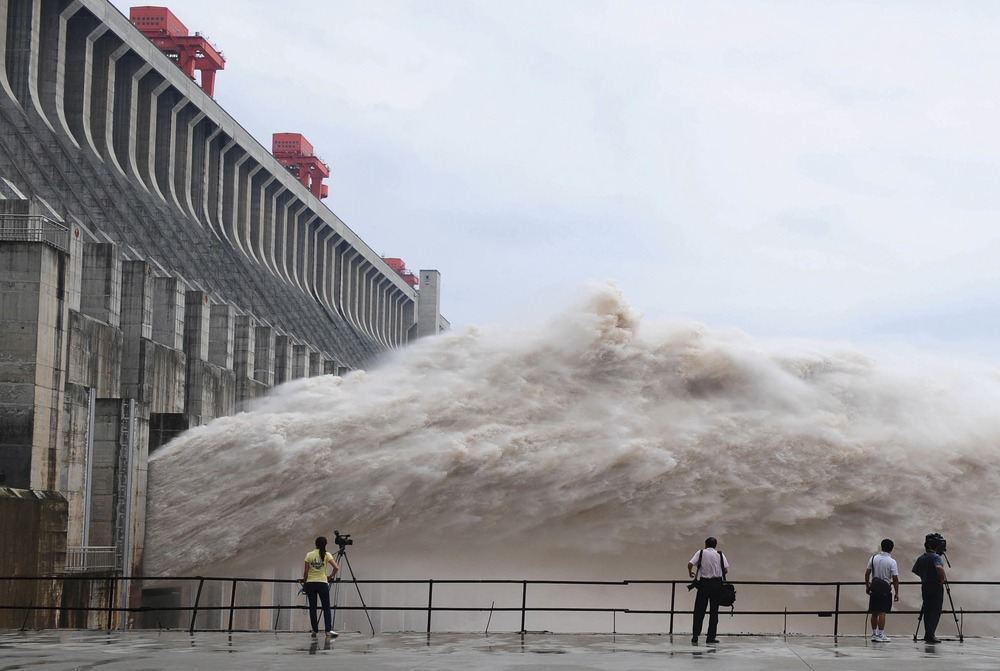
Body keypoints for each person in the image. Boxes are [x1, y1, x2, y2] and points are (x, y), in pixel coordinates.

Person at [686, 536, 730, 645]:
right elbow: (725, 570)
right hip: (716, 585)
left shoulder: (701, 552)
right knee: (714, 612)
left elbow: (690, 564)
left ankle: (695, 635)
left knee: (699, 611)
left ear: (705, 544)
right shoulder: (720, 554)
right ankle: (711, 637)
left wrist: (690, 572)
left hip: (704, 584)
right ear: (715, 545)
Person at [301, 536, 341, 638]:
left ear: (316, 544)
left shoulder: (309, 555)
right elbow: (336, 568)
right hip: (323, 583)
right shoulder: (327, 555)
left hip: (310, 583)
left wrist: (305, 582)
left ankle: (314, 630)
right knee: (326, 607)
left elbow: (305, 572)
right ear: (325, 544)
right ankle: (328, 630)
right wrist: (330, 577)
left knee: (312, 608)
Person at [912, 534, 947, 643]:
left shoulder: (921, 557)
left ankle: (928, 633)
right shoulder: (936, 557)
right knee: (935, 610)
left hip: (925, 586)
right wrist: (942, 580)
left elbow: (915, 570)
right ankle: (930, 635)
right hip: (935, 586)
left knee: (927, 610)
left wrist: (924, 577)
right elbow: (939, 568)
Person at [864, 538, 899, 642]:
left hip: (874, 588)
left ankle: (874, 634)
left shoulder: (873, 558)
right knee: (882, 612)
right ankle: (881, 634)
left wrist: (867, 586)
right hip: (885, 589)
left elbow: (867, 573)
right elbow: (895, 578)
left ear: (881, 546)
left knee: (874, 612)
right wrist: (897, 593)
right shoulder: (892, 561)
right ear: (891, 549)